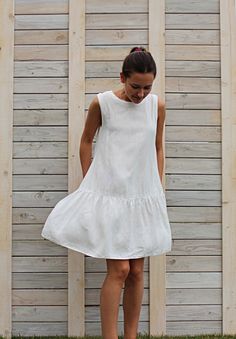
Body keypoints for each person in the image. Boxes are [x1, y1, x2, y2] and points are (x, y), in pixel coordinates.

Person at [41, 46, 172, 339]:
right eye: (135, 86)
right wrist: (91, 182)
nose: (140, 94)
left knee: (137, 271)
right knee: (120, 270)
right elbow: (86, 141)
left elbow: (158, 147)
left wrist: (156, 185)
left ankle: (131, 336)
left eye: (147, 87)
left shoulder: (157, 106)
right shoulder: (102, 103)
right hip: (110, 196)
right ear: (122, 77)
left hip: (141, 196)